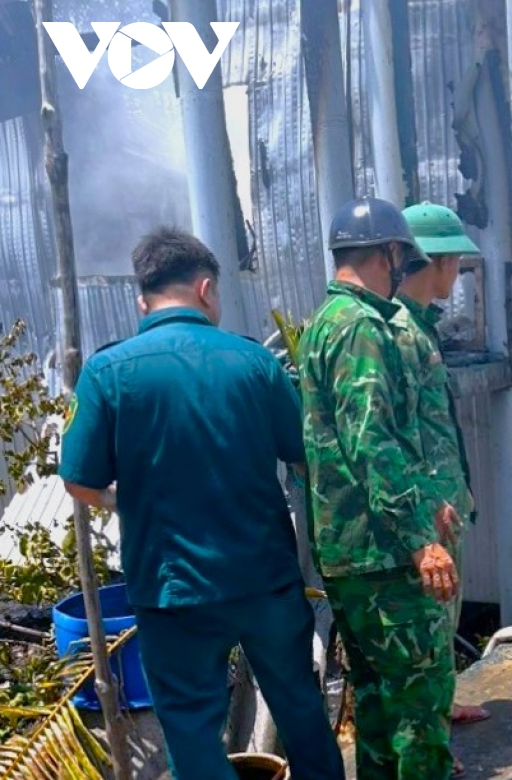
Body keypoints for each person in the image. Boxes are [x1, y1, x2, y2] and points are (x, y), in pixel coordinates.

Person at [59, 227, 344, 780]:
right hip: (263, 578)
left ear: (143, 300)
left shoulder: (108, 371)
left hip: (173, 591)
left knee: (192, 731)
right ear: (206, 288)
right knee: (301, 711)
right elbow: (308, 460)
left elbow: (77, 481)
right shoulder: (254, 364)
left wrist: (125, 502)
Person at [297, 196, 459, 780]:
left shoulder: (321, 324)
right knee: (420, 705)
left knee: (376, 706)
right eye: (401, 259)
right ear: (390, 253)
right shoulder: (363, 327)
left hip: (349, 555)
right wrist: (420, 539)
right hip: (383, 555)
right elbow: (374, 441)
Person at [397, 201, 490, 732]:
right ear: (436, 262)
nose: (457, 274)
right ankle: (429, 735)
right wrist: (431, 500)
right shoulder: (397, 331)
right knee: (427, 622)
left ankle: (442, 704)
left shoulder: (420, 326)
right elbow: (397, 432)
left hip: (445, 503)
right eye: (455, 261)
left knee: (442, 614)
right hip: (431, 507)